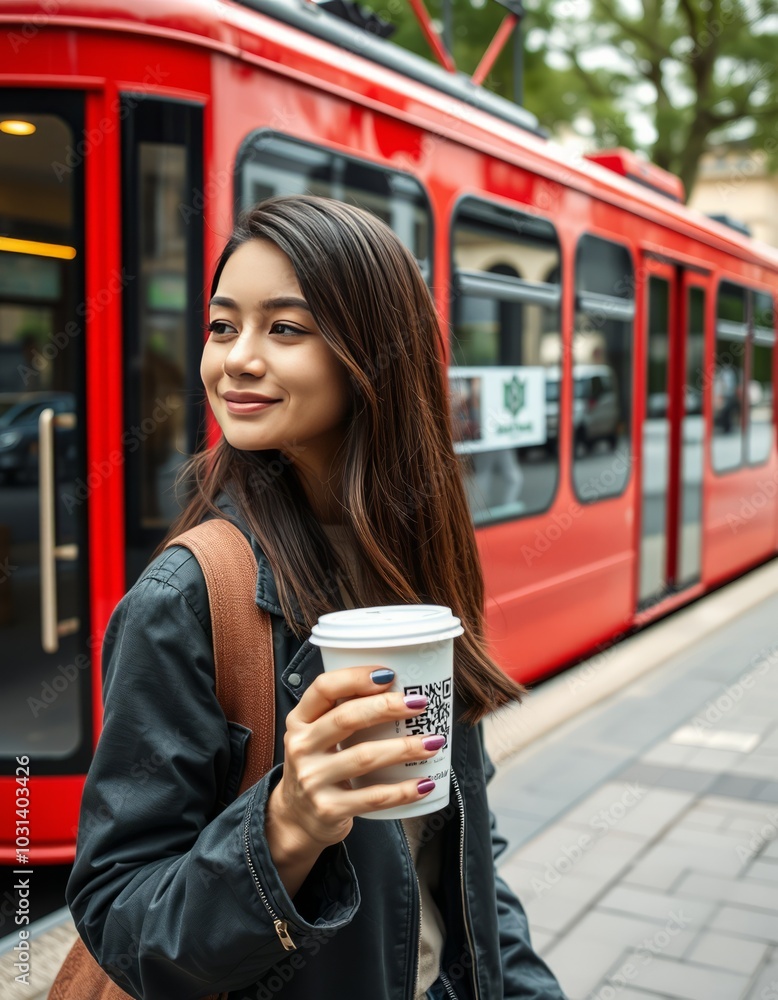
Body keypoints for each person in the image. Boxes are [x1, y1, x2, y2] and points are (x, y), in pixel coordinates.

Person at [66, 195, 567, 1000]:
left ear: (372, 354)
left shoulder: (416, 565)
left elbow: (462, 854)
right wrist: (286, 825)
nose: (235, 359)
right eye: (223, 326)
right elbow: (121, 918)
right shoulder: (187, 599)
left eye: (285, 329)